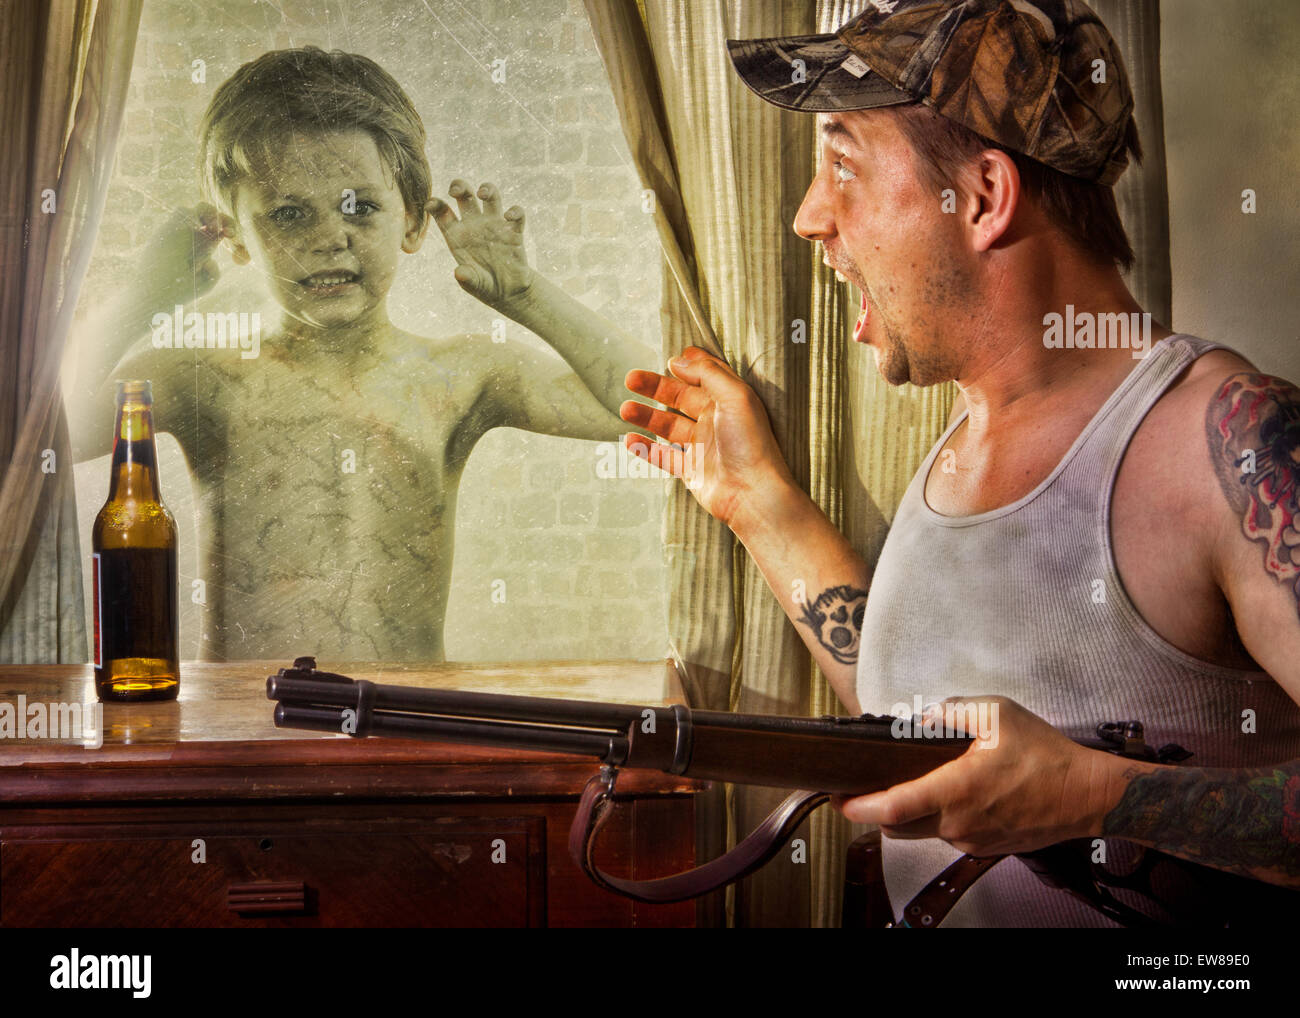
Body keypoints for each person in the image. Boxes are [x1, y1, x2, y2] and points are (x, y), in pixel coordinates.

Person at [620, 0, 1300, 925]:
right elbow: (927, 727)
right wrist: (758, 503)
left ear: (982, 197)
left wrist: (1100, 797)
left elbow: (1047, 783)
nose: (809, 217)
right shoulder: (960, 445)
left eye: (844, 166)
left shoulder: (1227, 440)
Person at [68, 46, 654, 662]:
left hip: (404, 726)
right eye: (289, 214)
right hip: (247, 729)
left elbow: (656, 412)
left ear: (411, 223)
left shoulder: (465, 374)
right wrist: (142, 298)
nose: (328, 238)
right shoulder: (197, 378)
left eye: (360, 206)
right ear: (236, 236)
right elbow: (34, 441)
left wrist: (528, 296)